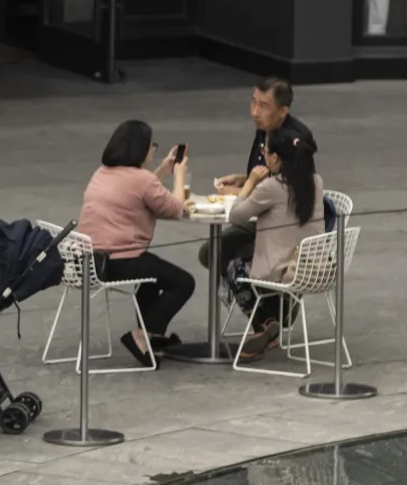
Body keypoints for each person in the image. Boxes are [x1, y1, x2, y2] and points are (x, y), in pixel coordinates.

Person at [76, 120, 194, 368]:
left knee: (153, 278)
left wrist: (163, 169)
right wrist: (179, 176)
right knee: (183, 282)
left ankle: (150, 337)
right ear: (140, 149)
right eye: (152, 146)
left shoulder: (102, 172)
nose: (153, 151)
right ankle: (142, 334)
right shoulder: (141, 179)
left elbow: (136, 190)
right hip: (120, 260)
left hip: (89, 260)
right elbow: (176, 209)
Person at [220, 131, 324, 362]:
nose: (262, 155)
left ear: (275, 158)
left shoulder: (271, 187)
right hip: (312, 266)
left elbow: (236, 216)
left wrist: (250, 182)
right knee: (247, 252)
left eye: (265, 151)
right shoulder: (315, 181)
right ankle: (277, 315)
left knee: (234, 266)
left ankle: (265, 324)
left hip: (281, 271)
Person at [212, 78, 314, 271]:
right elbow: (271, 174)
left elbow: (281, 189)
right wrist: (243, 178)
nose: (255, 112)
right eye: (253, 102)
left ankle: (263, 297)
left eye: (263, 106)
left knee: (218, 252)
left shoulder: (292, 141)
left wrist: (242, 191)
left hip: (284, 229)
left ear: (283, 111)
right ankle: (257, 296)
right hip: (265, 217)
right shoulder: (266, 129)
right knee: (213, 250)